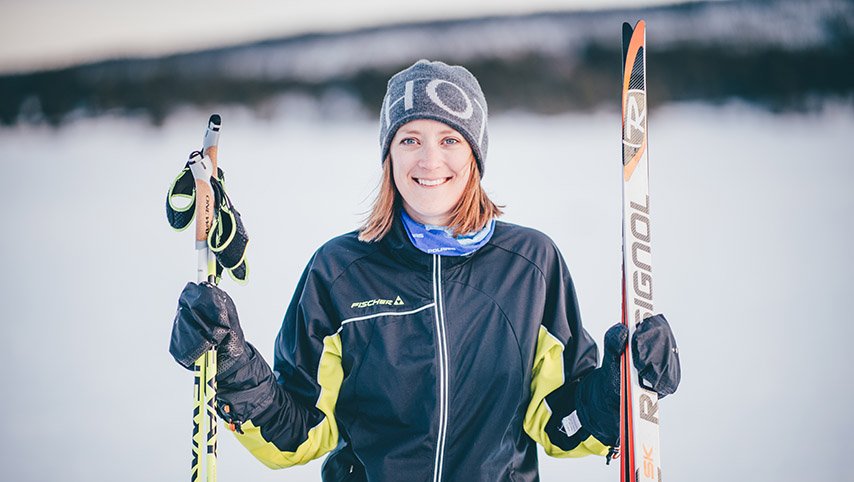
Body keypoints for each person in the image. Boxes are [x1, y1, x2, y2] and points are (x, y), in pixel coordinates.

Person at [169, 59, 681, 481]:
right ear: (388, 155)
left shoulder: (530, 267)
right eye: (410, 139)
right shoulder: (340, 271)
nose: (429, 159)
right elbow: (299, 432)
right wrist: (234, 368)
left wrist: (617, 390)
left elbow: (558, 423)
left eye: (450, 140)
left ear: (475, 155)